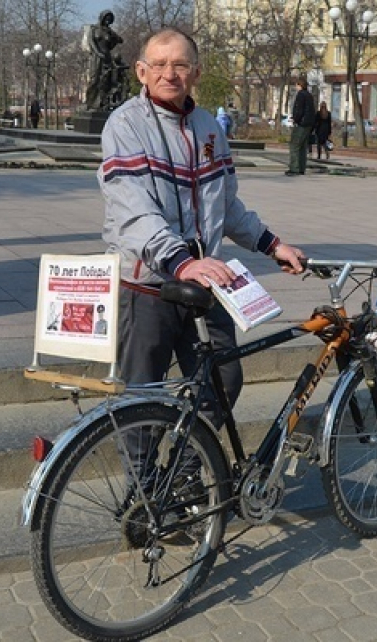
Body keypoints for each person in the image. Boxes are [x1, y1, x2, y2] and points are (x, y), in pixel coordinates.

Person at [99, 28, 305, 469]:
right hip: (149, 286)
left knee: (222, 380)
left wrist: (273, 245)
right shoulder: (125, 124)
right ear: (141, 71)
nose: (169, 74)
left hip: (205, 284)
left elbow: (226, 205)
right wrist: (181, 262)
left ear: (196, 72)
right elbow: (133, 213)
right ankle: (144, 494)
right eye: (159, 64)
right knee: (142, 396)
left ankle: (190, 474)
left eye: (180, 65)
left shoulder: (209, 126)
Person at [85, 10, 125, 111]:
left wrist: (114, 41)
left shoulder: (109, 31)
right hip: (96, 57)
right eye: (106, 18)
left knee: (105, 81)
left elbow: (119, 40)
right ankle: (90, 103)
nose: (108, 20)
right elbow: (91, 42)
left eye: (110, 19)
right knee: (94, 80)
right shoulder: (94, 29)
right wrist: (98, 52)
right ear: (102, 17)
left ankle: (101, 103)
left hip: (106, 57)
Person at [285, 78, 316, 176]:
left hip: (301, 124)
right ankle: (302, 168)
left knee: (294, 145)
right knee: (303, 147)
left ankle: (294, 168)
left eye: (296, 85)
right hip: (309, 124)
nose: (295, 87)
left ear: (299, 85)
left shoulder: (301, 95)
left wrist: (295, 119)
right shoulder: (309, 95)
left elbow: (299, 109)